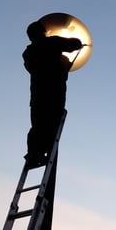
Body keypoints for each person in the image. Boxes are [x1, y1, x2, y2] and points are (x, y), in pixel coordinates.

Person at [23, 21, 82, 168]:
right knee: (51, 127)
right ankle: (40, 154)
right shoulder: (52, 42)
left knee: (37, 127)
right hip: (54, 94)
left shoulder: (28, 53)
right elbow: (75, 44)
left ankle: (34, 155)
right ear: (43, 32)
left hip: (37, 97)